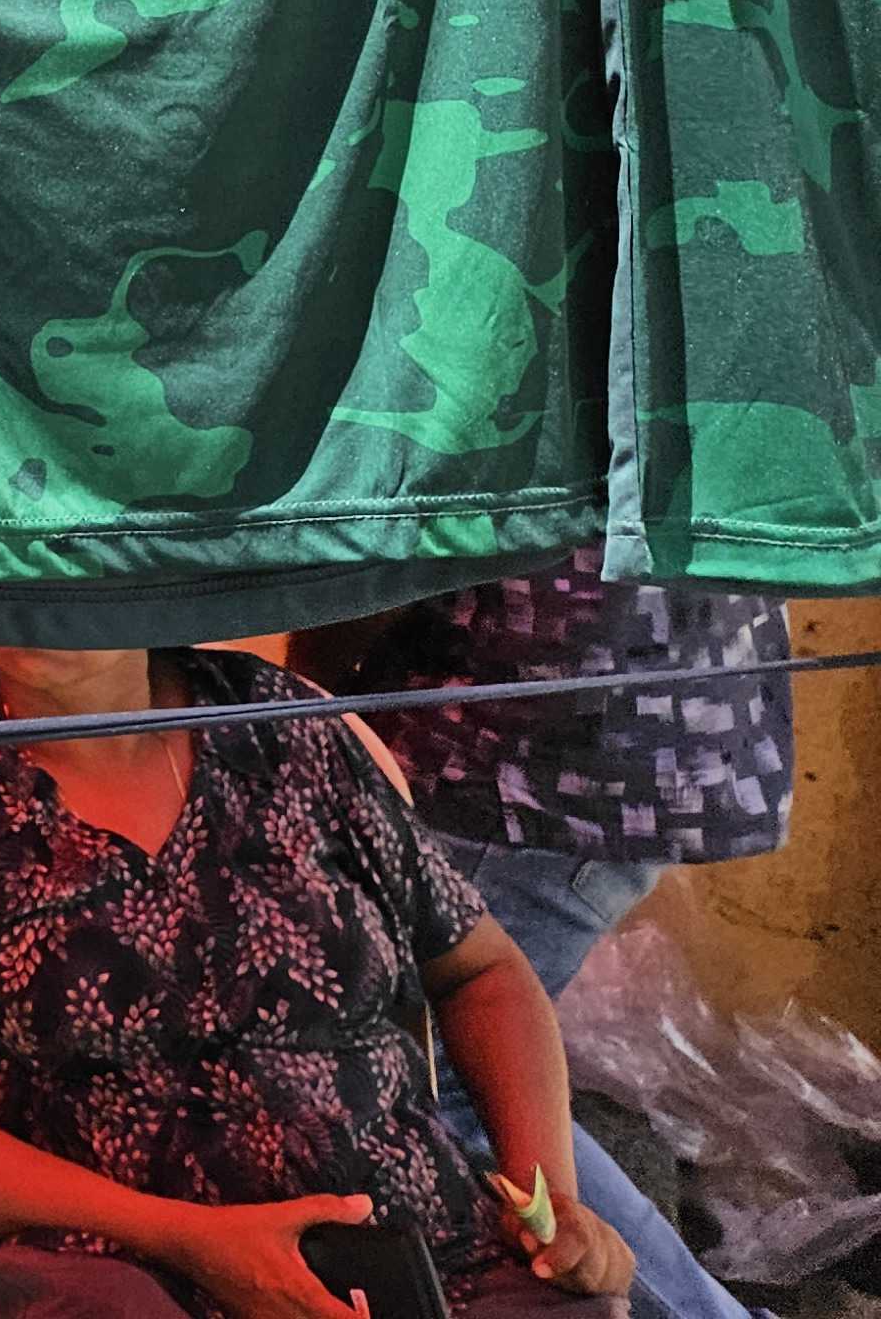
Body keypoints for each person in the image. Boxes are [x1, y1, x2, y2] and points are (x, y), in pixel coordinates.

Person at [0, 641, 637, 1319]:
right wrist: (190, 1238)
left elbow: (482, 970)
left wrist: (551, 1205)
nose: (32, 594)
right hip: (118, 1261)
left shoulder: (278, 724)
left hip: (411, 1239)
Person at [296, 562, 795, 1319]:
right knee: (467, 1072)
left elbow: (379, 546)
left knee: (454, 1083)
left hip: (538, 746)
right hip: (665, 721)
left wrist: (294, 706)